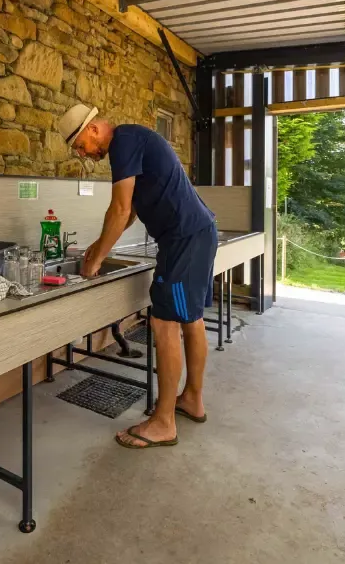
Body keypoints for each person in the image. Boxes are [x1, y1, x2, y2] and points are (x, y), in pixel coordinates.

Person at [57, 103, 218, 449]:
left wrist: (95, 259)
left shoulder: (123, 142)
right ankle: (191, 399)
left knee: (164, 324)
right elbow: (128, 214)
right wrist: (99, 245)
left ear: (94, 129)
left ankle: (163, 422)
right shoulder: (133, 141)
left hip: (182, 240)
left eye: (81, 146)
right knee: (191, 320)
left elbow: (120, 209)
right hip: (198, 232)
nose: (85, 154)